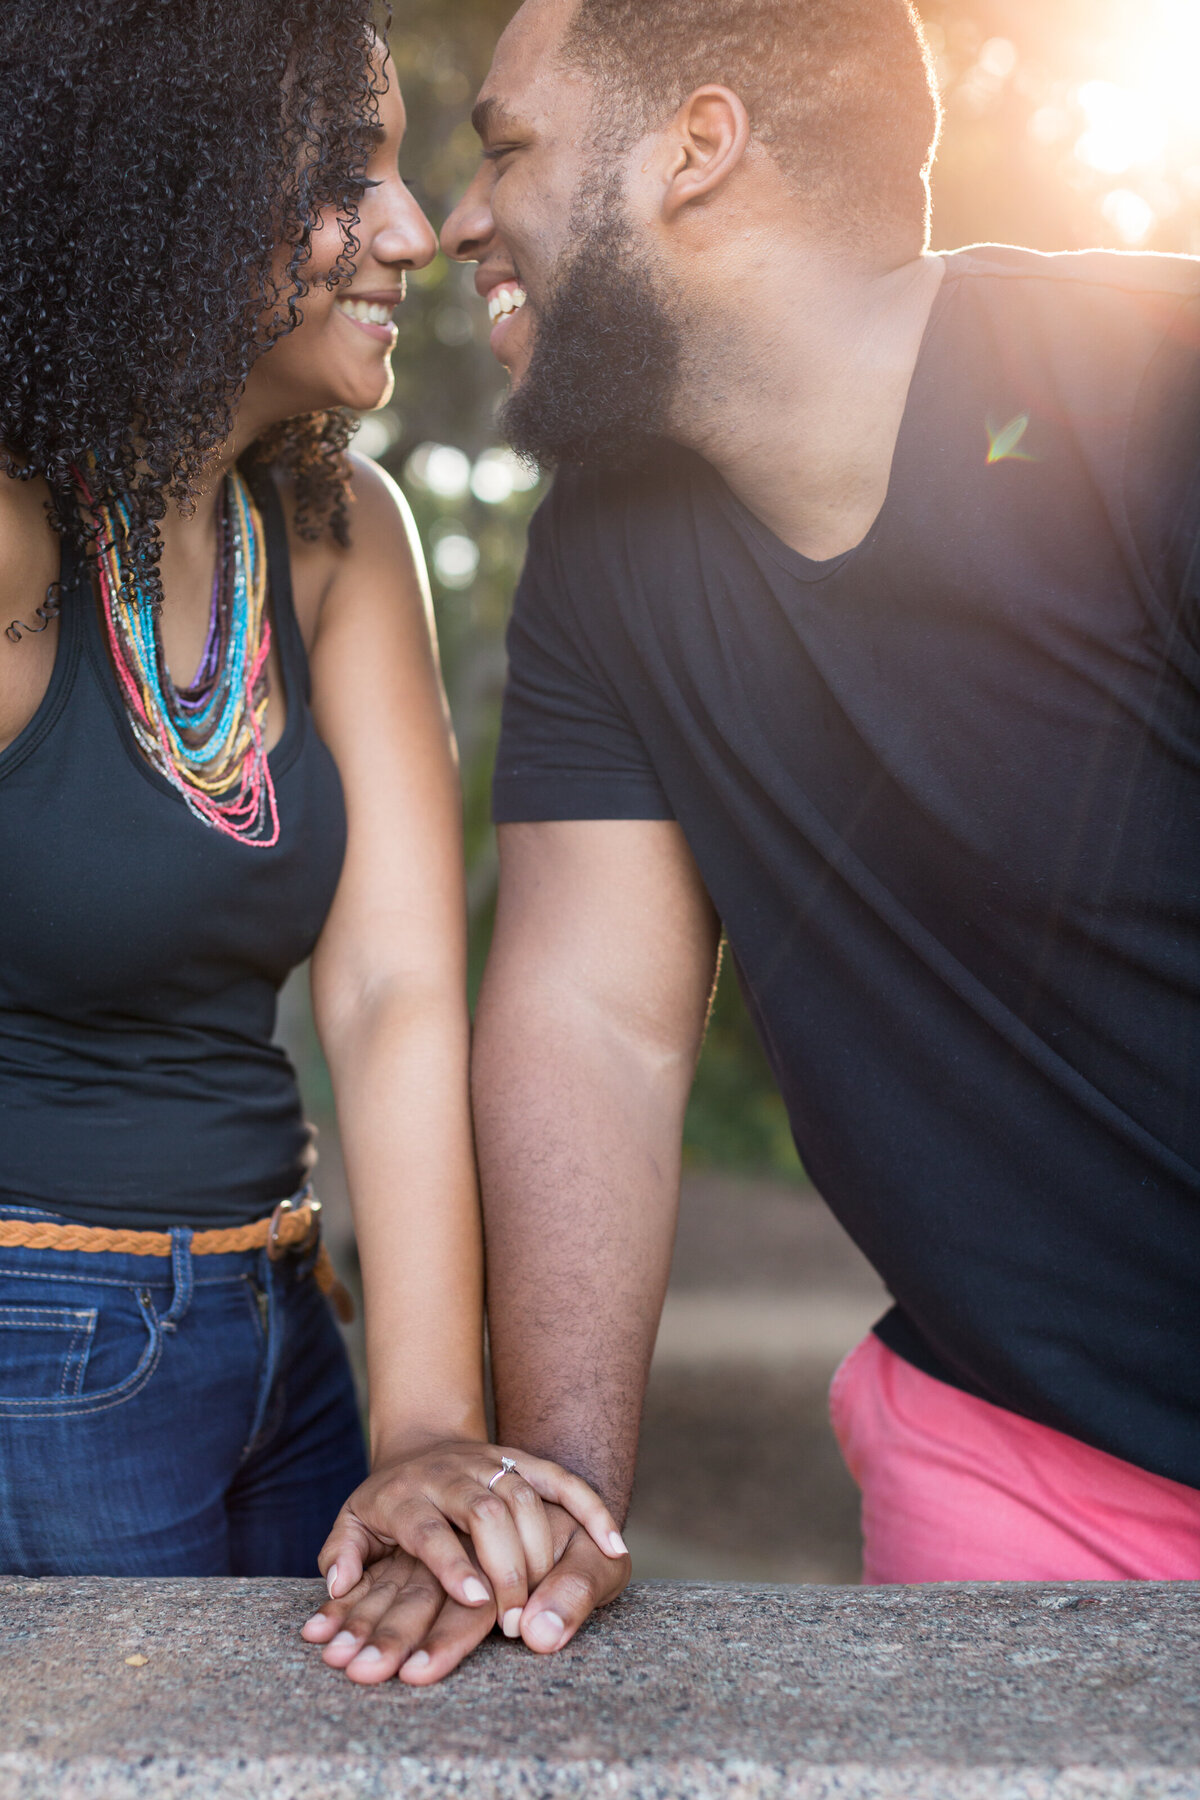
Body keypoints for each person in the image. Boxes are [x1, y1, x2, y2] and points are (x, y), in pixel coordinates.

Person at [311, 0, 1200, 1676]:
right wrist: (556, 1495)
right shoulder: (603, 552)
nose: (461, 220)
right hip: (1010, 1460)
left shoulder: (1154, 395)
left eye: (507, 145)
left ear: (697, 150)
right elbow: (603, 1021)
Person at [0, 0, 626, 1683]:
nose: (416, 233)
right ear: (165, 190)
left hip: (291, 1332)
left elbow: (396, 994)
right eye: (344, 181)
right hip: (40, 1345)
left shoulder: (341, 535)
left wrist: (427, 1430)